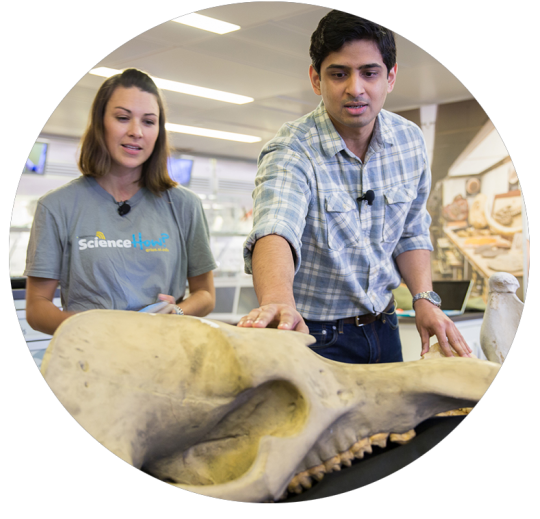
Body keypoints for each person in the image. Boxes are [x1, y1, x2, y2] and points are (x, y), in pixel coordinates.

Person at [237, 10, 472, 362]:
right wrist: (278, 305)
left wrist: (425, 298)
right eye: (338, 73)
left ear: (390, 77)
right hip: (315, 334)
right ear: (316, 79)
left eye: (369, 73)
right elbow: (275, 227)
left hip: (385, 326)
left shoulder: (410, 141)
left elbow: (411, 231)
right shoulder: (292, 148)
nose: (355, 88)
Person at [24, 68, 217, 336]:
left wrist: (178, 313)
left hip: (164, 355)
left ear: (158, 131)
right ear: (100, 122)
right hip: (90, 358)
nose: (136, 131)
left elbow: (205, 293)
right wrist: (94, 330)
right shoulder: (57, 207)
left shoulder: (185, 205)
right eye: (123, 118)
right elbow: (37, 307)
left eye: (149, 122)